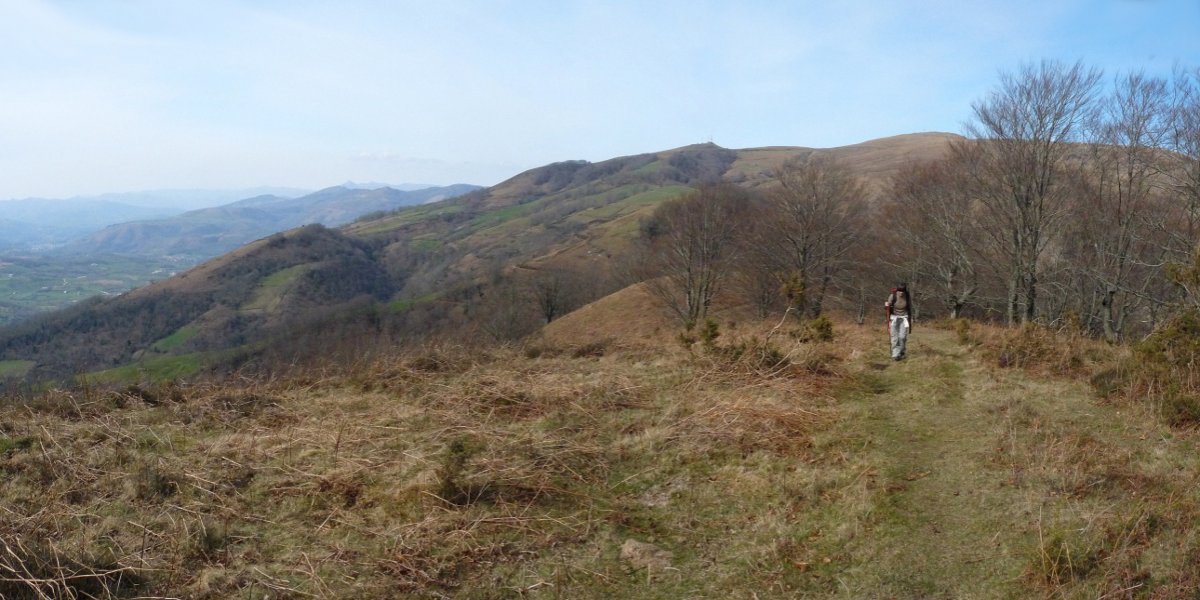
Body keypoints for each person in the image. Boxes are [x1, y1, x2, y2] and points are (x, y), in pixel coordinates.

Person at [885, 283, 914, 360]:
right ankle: (895, 354)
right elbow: (888, 307)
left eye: (902, 291)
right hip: (894, 318)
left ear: (905, 291)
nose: (901, 293)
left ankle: (902, 351)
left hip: (904, 318)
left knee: (902, 337)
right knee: (894, 337)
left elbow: (909, 308)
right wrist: (887, 306)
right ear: (897, 290)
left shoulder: (907, 297)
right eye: (899, 291)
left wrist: (910, 318)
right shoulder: (893, 296)